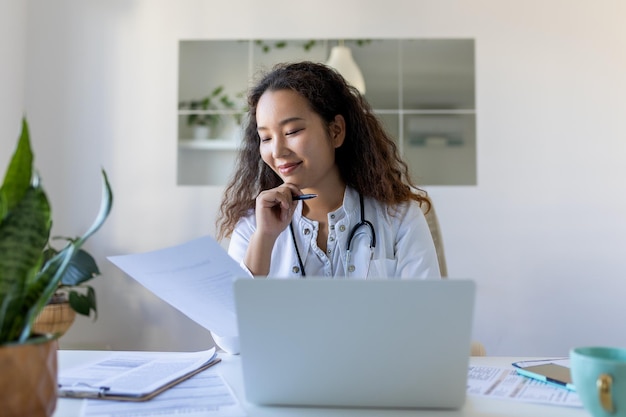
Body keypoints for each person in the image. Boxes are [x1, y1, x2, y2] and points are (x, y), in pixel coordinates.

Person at [216, 61, 441, 281]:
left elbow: (426, 314)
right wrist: (264, 239)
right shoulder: (253, 226)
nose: (277, 151)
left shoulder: (400, 218)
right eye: (265, 138)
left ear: (335, 131)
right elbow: (233, 316)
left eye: (292, 131)